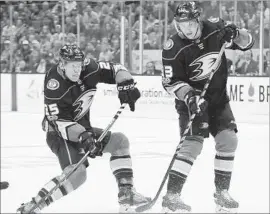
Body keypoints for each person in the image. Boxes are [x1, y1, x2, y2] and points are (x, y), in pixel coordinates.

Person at [17, 44, 150, 213]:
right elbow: (60, 123)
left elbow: (117, 69)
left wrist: (126, 85)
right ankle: (34, 206)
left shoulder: (89, 68)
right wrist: (85, 138)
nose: (77, 70)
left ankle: (126, 194)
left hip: (83, 129)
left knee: (120, 142)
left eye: (79, 65)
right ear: (62, 64)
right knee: (78, 174)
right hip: (59, 134)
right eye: (72, 66)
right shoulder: (54, 85)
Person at [161, 2, 254, 213]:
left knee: (228, 140)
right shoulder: (172, 47)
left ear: (198, 20)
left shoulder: (215, 29)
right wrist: (190, 97)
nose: (187, 29)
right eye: (182, 24)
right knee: (192, 146)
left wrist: (238, 33)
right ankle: (172, 196)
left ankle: (222, 194)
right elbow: (170, 83)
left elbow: (248, 43)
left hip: (218, 99)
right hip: (192, 103)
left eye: (190, 23)